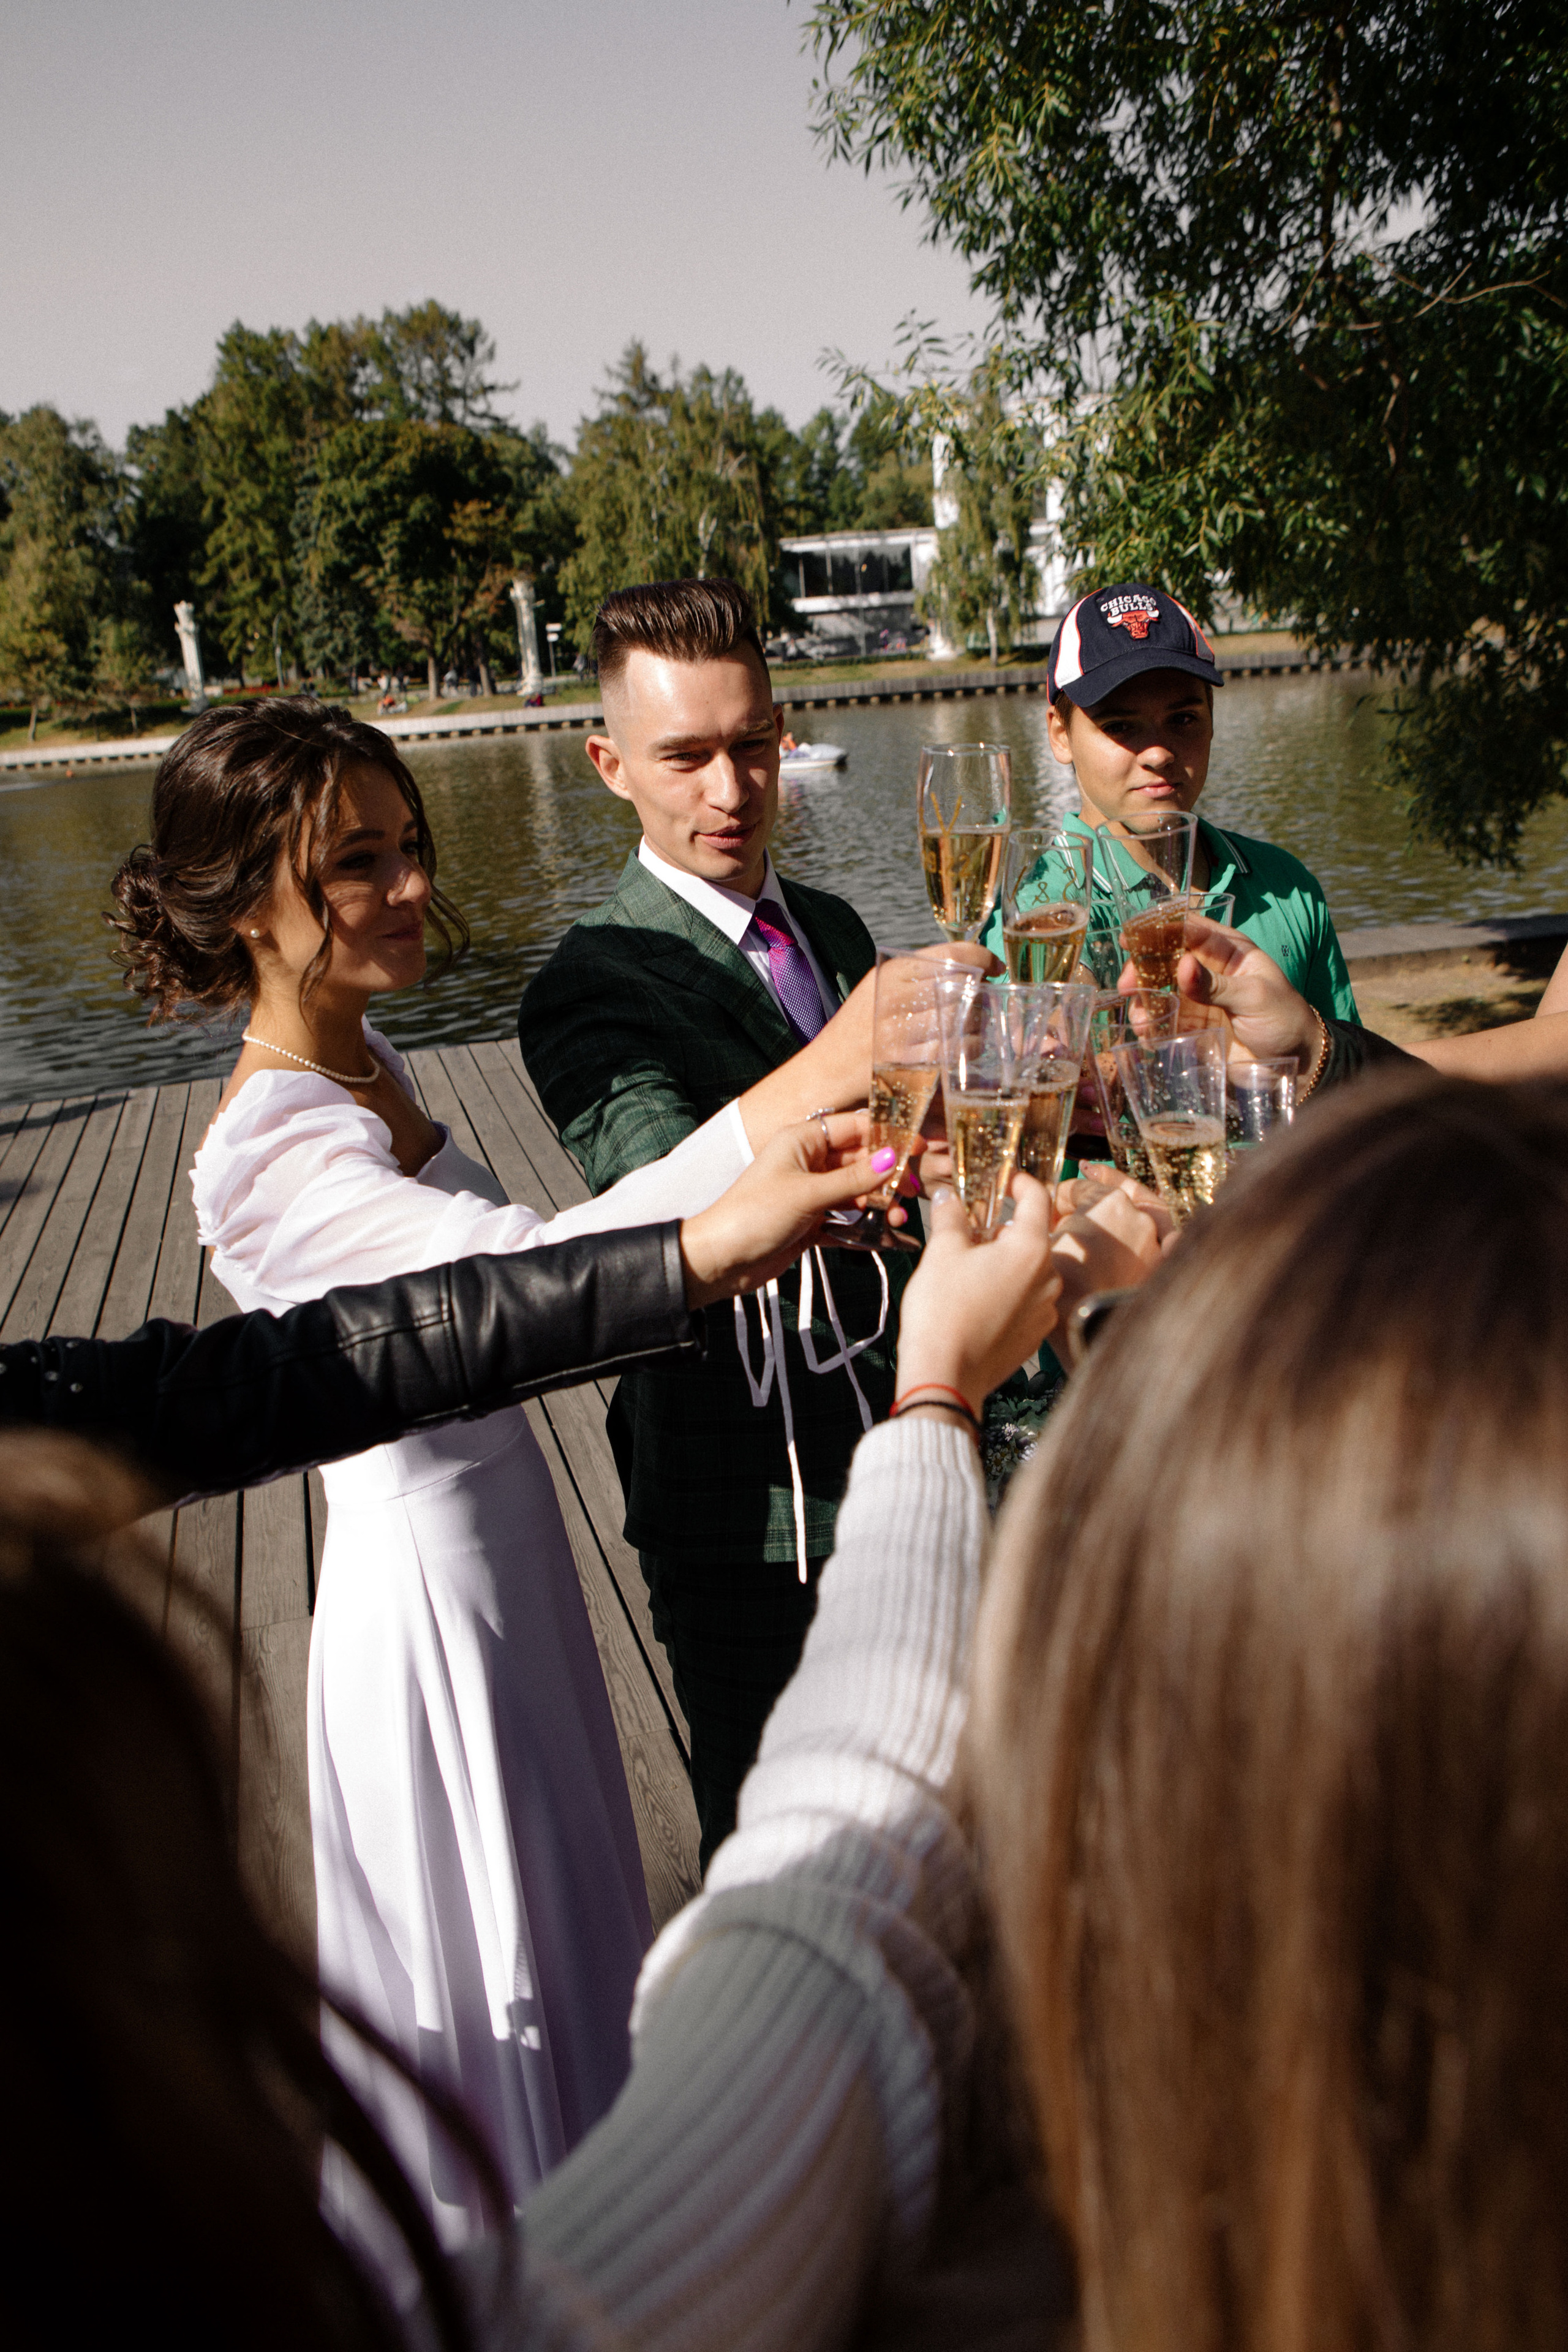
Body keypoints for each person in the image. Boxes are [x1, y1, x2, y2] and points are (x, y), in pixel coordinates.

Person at [105, 696, 894, 2256]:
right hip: (428, 1616)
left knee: (575, 1935)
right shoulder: (271, 1151)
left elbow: (566, 1260)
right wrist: (811, 1086)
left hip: (510, 1562)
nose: (407, 889)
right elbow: (524, 1278)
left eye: (408, 848)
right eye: (356, 864)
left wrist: (798, 1156)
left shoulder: (364, 1057)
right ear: (245, 902)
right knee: (493, 1993)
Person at [519, 577, 975, 1867]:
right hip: (743, 1510)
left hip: (894, 1447)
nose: (731, 790)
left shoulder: (828, 927)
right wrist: (848, 1053)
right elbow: (663, 1198)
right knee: (779, 1858)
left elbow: (896, 1149)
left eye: (752, 744)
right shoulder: (587, 982)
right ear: (610, 765)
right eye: (686, 757)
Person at [985, 581, 1360, 1028]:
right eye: (1120, 725)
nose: (1159, 752)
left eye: (1183, 719)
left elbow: (1353, 1079)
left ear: (1213, 718)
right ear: (1060, 735)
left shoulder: (1287, 888)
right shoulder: (1031, 909)